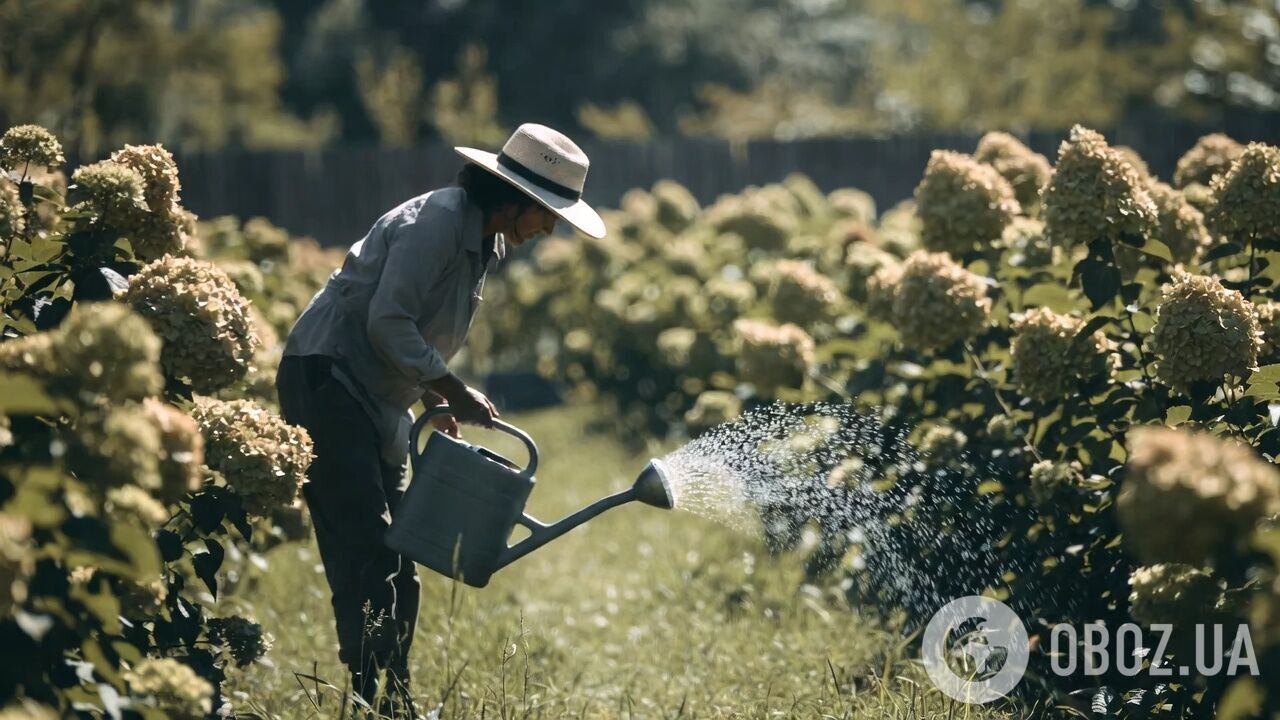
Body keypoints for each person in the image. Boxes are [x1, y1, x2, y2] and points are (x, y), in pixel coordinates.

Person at [275, 124, 606, 717]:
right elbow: (387, 321)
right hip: (328, 379)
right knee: (370, 551)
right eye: (549, 213)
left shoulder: (482, 239)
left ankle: (393, 697)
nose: (551, 227)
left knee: (402, 555)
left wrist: (432, 399)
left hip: (376, 398)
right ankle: (373, 698)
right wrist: (451, 386)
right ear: (517, 200)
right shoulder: (437, 224)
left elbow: (415, 330)